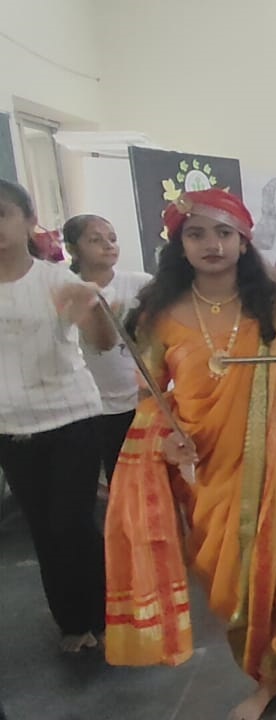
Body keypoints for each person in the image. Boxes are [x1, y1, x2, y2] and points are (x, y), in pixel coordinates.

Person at [104, 189, 276, 720]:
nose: (211, 244)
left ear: (244, 241)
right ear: (180, 244)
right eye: (196, 234)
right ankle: (267, 680)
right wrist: (167, 441)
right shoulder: (157, 315)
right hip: (206, 472)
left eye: (224, 233)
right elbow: (151, 398)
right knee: (234, 590)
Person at [0, 180, 116, 653]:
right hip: (10, 425)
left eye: (2, 214)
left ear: (30, 220)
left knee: (71, 522)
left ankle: (102, 614)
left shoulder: (57, 282)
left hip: (71, 418)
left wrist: (91, 310)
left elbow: (104, 343)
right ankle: (71, 622)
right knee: (43, 528)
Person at [63, 214, 152, 491]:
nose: (108, 245)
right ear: (73, 248)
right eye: (95, 240)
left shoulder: (141, 283)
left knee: (151, 477)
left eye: (112, 238)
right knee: (118, 479)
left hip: (143, 398)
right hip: (97, 405)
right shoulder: (67, 290)